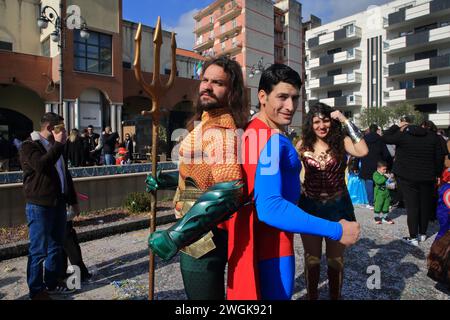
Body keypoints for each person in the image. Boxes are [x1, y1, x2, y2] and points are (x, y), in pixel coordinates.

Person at [226, 65, 361, 300]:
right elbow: (270, 208)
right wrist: (336, 230)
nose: (290, 106)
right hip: (272, 247)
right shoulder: (269, 140)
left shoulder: (253, 131)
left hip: (255, 243)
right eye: (282, 97)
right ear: (262, 96)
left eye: (294, 98)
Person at [148, 55, 249, 300]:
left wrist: (177, 234)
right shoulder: (204, 123)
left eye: (218, 83)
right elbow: (202, 175)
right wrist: (169, 181)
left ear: (232, 91)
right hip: (196, 231)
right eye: (205, 80)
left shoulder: (220, 131)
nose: (207, 86)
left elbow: (231, 188)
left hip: (203, 236)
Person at [294, 102, 367, 300]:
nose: (321, 126)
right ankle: (312, 297)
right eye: (316, 121)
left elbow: (363, 151)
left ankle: (335, 296)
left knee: (335, 259)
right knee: (312, 259)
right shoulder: (303, 144)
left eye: (325, 120)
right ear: (311, 123)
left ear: (332, 121)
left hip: (338, 208)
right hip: (310, 207)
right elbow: (290, 169)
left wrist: (344, 120)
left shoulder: (342, 142)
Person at [19, 112, 79, 300]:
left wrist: (73, 200)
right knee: (38, 249)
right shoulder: (29, 145)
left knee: (56, 246)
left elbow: (64, 175)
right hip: (39, 205)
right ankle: (36, 290)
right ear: (51, 128)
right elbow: (41, 166)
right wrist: (59, 145)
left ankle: (51, 283)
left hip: (58, 203)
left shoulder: (54, 147)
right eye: (60, 128)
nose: (64, 132)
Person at [382, 116, 444, 246]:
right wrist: (438, 173)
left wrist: (398, 126)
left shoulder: (404, 135)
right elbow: (439, 158)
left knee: (412, 206)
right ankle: (422, 234)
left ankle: (413, 237)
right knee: (424, 205)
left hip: (407, 176)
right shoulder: (434, 137)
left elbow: (385, 137)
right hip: (427, 176)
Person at [360, 124, 392, 209]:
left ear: (369, 130)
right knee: (379, 183)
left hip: (366, 164)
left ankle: (371, 203)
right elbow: (386, 154)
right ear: (377, 130)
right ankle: (380, 201)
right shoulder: (380, 139)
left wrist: (355, 165)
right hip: (379, 164)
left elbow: (359, 152)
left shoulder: (364, 139)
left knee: (369, 183)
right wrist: (389, 166)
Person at [373, 161, 395, 225]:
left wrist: (391, 177)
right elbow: (379, 181)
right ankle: (376, 217)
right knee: (378, 205)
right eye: (383, 169)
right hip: (379, 193)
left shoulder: (386, 173)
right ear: (378, 168)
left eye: (386, 169)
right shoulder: (375, 174)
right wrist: (385, 177)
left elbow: (390, 181)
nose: (385, 171)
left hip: (386, 192)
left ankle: (385, 217)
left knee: (386, 205)